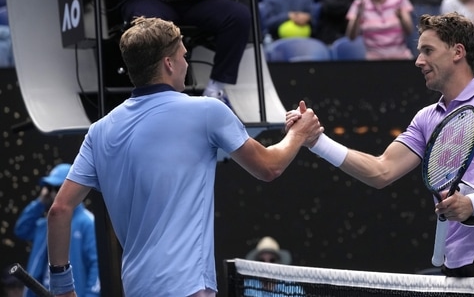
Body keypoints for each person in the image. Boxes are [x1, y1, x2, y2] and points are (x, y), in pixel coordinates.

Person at [46, 17, 322, 297]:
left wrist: (62, 288)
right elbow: (269, 167)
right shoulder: (207, 111)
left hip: (137, 289)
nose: (186, 64)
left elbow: (59, 211)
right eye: (183, 56)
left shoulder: (98, 131)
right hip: (188, 288)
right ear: (168, 63)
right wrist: (299, 134)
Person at [287, 12, 474, 278]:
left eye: (428, 51)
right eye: (419, 51)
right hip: (455, 262)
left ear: (457, 52)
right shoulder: (426, 118)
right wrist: (316, 141)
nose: (419, 61)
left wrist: (473, 203)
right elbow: (381, 171)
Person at [119, 0, 252, 105]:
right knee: (149, 26)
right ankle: (155, 95)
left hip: (197, 0)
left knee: (238, 16)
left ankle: (215, 90)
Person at [14, 164, 100, 297]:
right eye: (49, 188)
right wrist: (40, 202)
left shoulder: (87, 222)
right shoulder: (45, 224)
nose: (53, 193)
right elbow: (21, 230)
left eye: (57, 188)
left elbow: (97, 266)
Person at [346, 0, 415, 60]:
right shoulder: (360, 4)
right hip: (374, 61)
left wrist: (401, 18)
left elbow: (409, 31)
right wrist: (358, 17)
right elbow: (351, 37)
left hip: (401, 58)